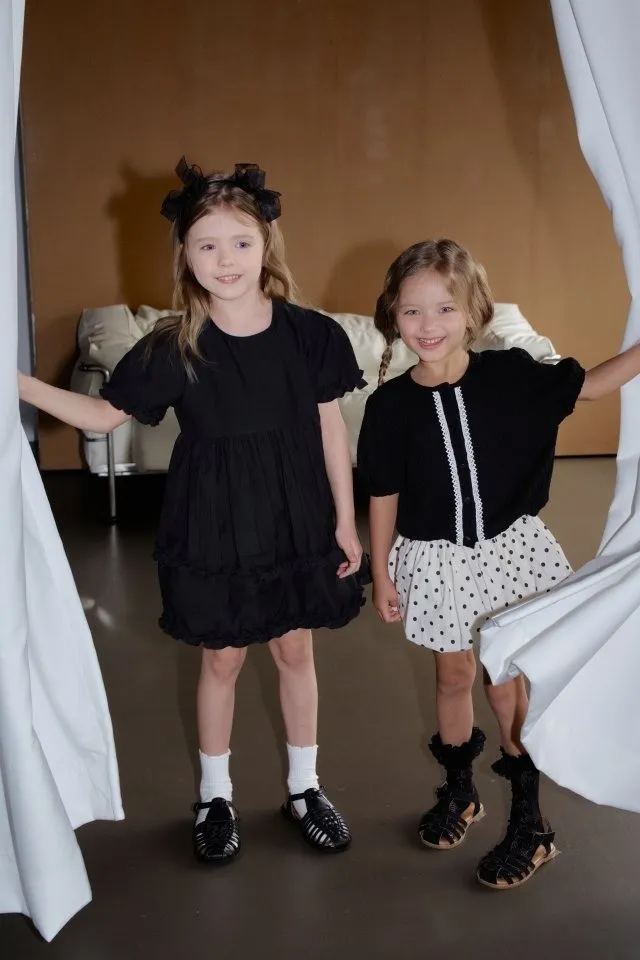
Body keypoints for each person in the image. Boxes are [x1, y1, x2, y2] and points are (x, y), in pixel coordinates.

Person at [20, 158, 370, 865]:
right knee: (221, 659)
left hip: (297, 514)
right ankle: (215, 797)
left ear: (267, 245)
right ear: (184, 254)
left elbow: (331, 428)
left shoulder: (310, 335)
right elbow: (102, 415)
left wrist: (344, 519)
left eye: (240, 241)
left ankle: (305, 788)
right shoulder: (172, 345)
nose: (225, 259)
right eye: (207, 244)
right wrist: (15, 381)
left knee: (295, 650)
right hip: (216, 521)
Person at [357, 237, 640, 889]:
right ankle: (461, 792)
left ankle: (532, 825)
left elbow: (592, 387)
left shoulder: (510, 374)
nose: (428, 325)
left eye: (444, 308)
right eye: (412, 311)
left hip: (510, 553)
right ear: (393, 315)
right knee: (452, 675)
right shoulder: (390, 406)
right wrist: (381, 570)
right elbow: (383, 492)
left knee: (503, 682)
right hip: (435, 560)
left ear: (473, 311)